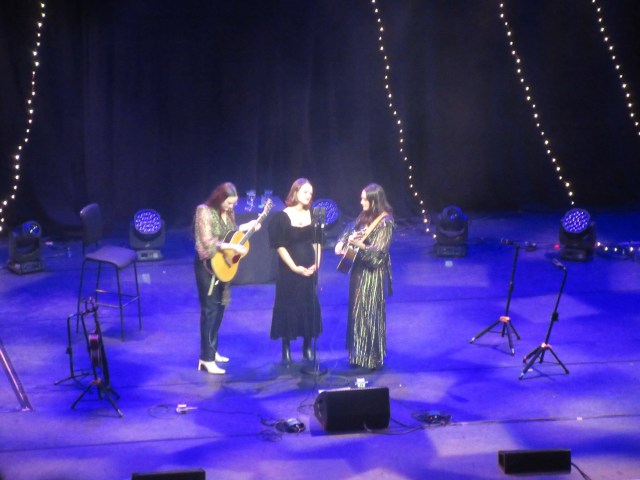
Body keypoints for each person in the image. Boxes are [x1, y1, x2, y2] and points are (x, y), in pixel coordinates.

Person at [193, 182, 260, 375]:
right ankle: (205, 358)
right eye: (229, 203)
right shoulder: (204, 211)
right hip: (207, 266)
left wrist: (246, 227)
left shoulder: (228, 212)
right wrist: (231, 247)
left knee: (219, 309)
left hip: (222, 266)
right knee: (209, 311)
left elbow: (231, 232)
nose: (232, 207)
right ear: (220, 198)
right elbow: (207, 241)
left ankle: (212, 350)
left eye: (234, 204)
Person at [334, 183, 394, 370]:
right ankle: (358, 356)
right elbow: (350, 230)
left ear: (374, 200)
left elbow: (378, 254)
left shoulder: (385, 222)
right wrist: (341, 242)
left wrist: (360, 246)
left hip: (372, 274)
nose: (361, 202)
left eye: (364, 199)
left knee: (369, 313)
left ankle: (372, 358)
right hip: (358, 272)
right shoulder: (364, 216)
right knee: (356, 312)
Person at [268, 178, 322, 365]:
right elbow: (280, 246)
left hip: (309, 268)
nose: (308, 195)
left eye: (310, 193)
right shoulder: (282, 217)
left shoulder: (313, 215)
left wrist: (317, 264)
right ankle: (286, 347)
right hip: (289, 271)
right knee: (288, 305)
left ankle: (307, 345)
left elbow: (317, 242)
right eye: (305, 191)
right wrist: (294, 267)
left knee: (308, 304)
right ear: (295, 192)